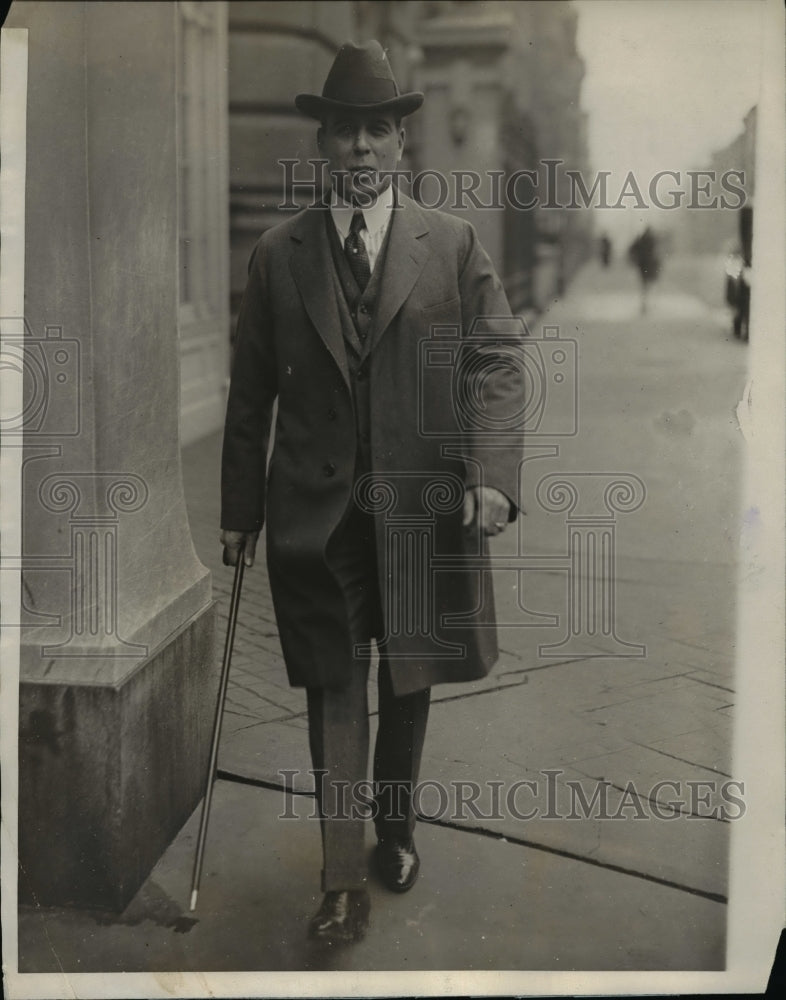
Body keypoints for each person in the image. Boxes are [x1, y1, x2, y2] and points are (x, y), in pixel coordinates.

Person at [220, 40, 525, 946]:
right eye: (346, 131)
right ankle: (342, 879)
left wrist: (493, 476)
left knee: (411, 678)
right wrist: (239, 512)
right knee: (332, 686)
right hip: (315, 519)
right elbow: (248, 397)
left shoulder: (452, 244)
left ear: (401, 143)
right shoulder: (280, 256)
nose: (360, 149)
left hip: (423, 507)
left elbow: (499, 359)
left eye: (377, 132)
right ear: (325, 143)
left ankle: (396, 829)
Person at [628, 226, 660, 314]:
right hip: (648, 265)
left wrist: (635, 258)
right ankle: (646, 301)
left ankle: (645, 301)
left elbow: (632, 248)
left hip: (643, 265)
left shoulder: (641, 239)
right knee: (648, 283)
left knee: (644, 283)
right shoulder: (652, 240)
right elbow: (656, 253)